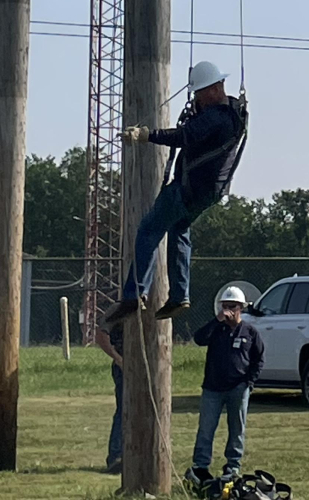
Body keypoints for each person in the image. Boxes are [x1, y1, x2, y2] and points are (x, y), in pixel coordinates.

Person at [104, 61, 247, 324]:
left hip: (189, 189)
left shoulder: (215, 118)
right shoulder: (232, 114)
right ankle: (180, 294)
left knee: (149, 229)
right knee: (179, 229)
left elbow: (183, 136)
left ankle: (134, 293)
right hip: (209, 192)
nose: (197, 99)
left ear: (214, 89)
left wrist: (146, 136)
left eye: (199, 94)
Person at [185, 286, 265, 490]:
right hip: (213, 388)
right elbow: (198, 338)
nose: (228, 310)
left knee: (237, 428)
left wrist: (249, 382)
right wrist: (217, 320)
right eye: (225, 306)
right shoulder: (216, 329)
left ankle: (233, 466)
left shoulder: (250, 332)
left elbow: (258, 358)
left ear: (241, 308)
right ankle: (201, 466)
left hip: (238, 387)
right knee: (206, 428)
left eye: (232, 307)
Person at [93, 315, 125, 474]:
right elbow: (101, 336)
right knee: (123, 411)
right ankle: (116, 457)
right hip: (123, 369)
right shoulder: (118, 310)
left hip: (148, 369)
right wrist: (118, 359)